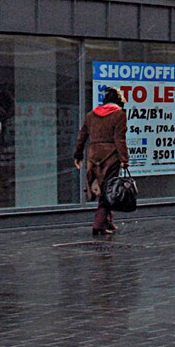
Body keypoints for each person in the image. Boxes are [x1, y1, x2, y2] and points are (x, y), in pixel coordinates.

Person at [72, 86, 130, 237]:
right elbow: (119, 139)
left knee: (103, 188)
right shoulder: (119, 115)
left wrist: (78, 155)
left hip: (93, 155)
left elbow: (81, 136)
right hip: (110, 156)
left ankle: (108, 221)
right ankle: (98, 225)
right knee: (108, 190)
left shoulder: (91, 115)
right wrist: (124, 159)